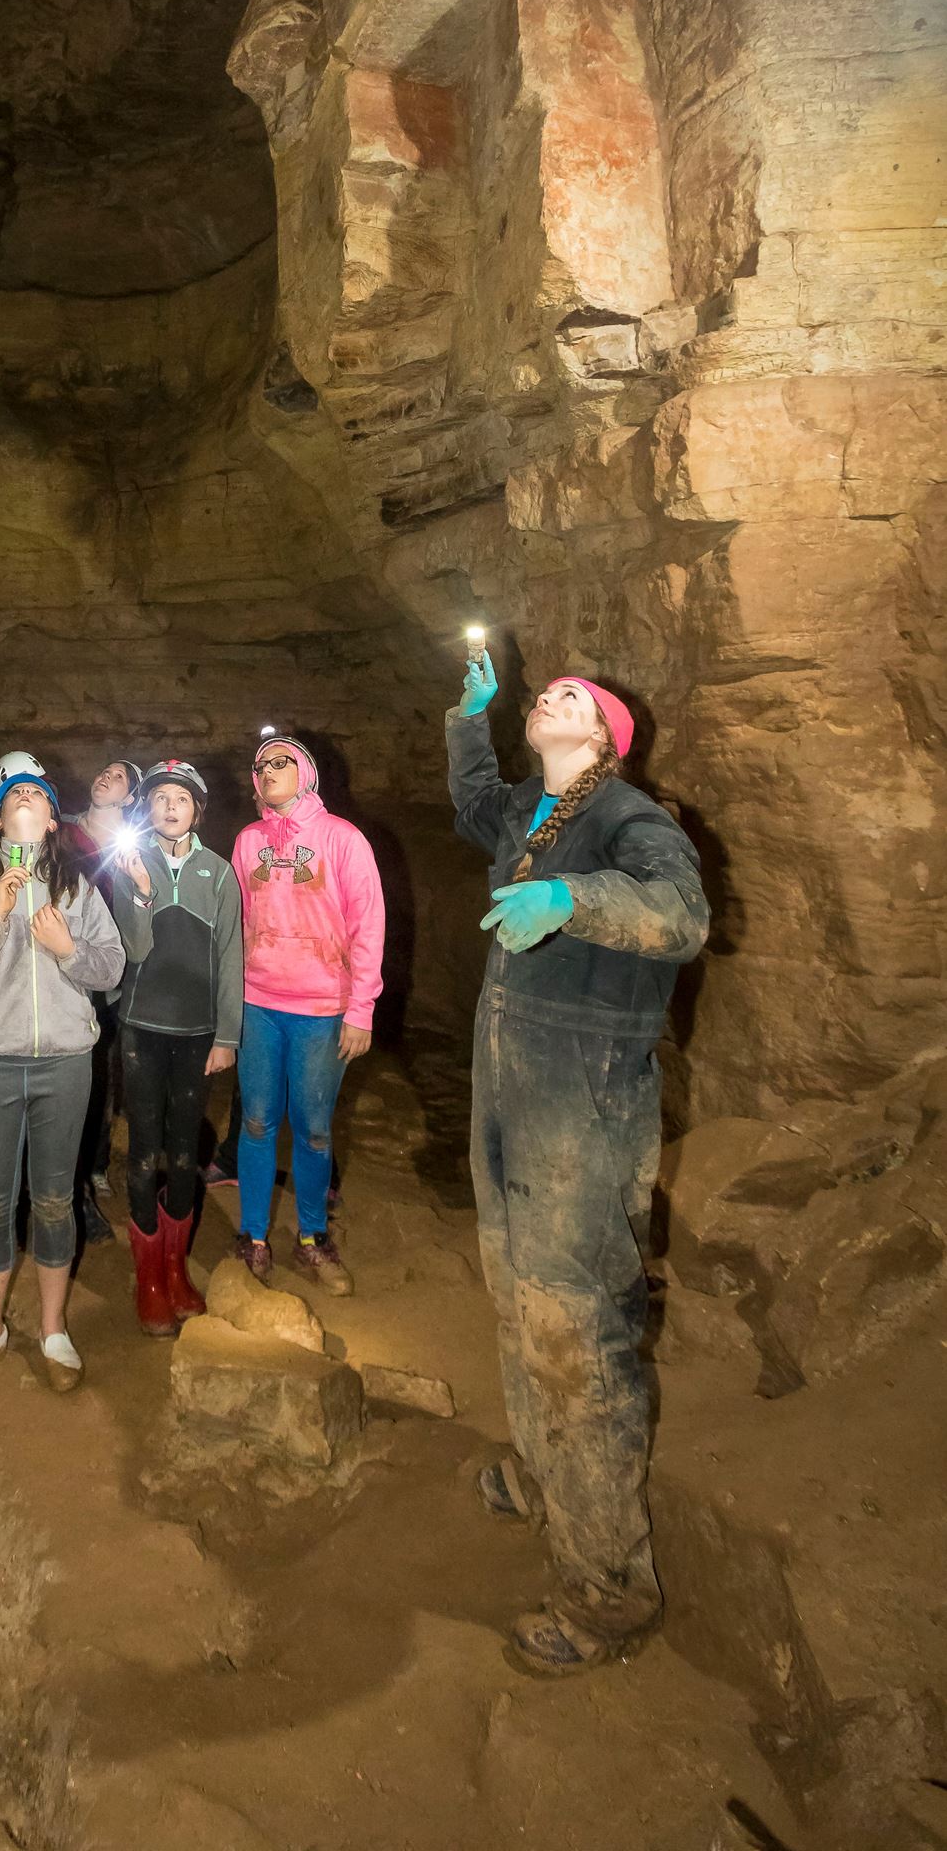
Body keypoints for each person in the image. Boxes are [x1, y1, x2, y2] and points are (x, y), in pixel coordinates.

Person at [449, 649, 710, 1676]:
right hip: (506, 1087)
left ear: (603, 737)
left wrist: (570, 899)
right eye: (543, 691)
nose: (548, 693)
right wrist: (466, 716)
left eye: (572, 695)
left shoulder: (629, 819)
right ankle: (543, 1472)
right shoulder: (528, 808)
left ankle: (606, 1587)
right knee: (515, 1294)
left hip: (579, 1101)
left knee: (574, 1323)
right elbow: (472, 801)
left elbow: (681, 914)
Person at [0, 759, 125, 1395]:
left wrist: (66, 948)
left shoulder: (80, 885)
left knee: (53, 1198)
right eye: (13, 795)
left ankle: (52, 1329)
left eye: (36, 797)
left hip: (66, 1063)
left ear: (51, 821)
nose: (24, 802)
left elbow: (111, 968)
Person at [230, 733, 384, 1297]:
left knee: (315, 1130)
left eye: (280, 762)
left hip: (322, 1007)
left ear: (306, 773)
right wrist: (230, 1002)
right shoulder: (248, 842)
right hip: (258, 1004)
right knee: (256, 1121)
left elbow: (368, 923)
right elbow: (237, 924)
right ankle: (253, 1234)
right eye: (260, 766)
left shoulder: (343, 840)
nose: (267, 771)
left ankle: (313, 1237)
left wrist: (361, 1009)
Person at [109, 761, 242, 1335]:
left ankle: (174, 1268)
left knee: (185, 1152)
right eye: (159, 797)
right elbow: (132, 954)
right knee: (143, 1150)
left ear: (197, 810)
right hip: (141, 1025)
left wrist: (228, 1034)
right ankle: (148, 1280)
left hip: (196, 1034)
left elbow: (231, 956)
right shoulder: (129, 866)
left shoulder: (220, 873)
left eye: (180, 799)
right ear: (147, 808)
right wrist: (141, 894)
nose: (169, 806)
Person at [65, 756, 142, 1239]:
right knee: (72, 1082)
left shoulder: (137, 849)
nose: (103, 776)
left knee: (100, 1081)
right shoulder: (60, 832)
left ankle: (91, 1170)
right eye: (103, 770)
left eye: (117, 777)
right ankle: (72, 1189)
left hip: (109, 982)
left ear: (131, 798)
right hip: (60, 974)